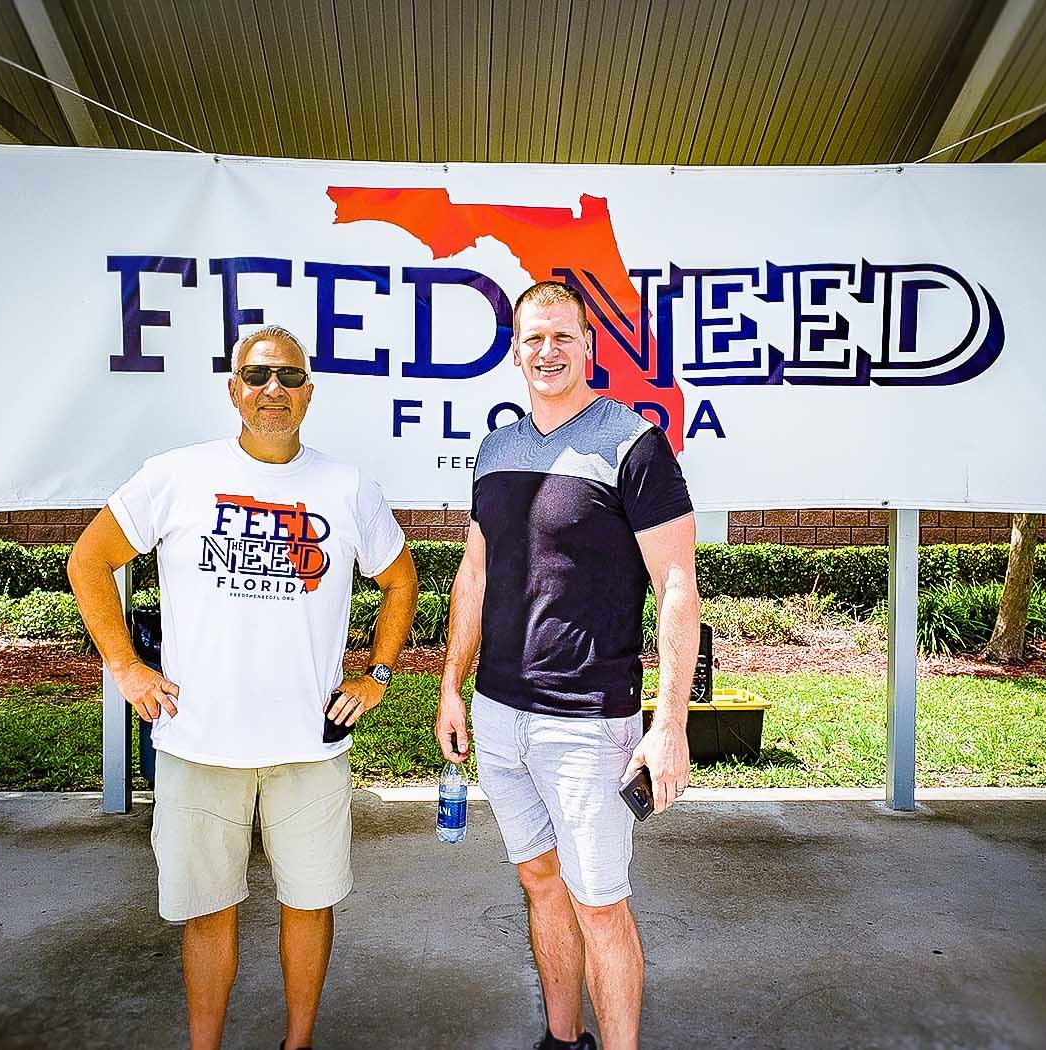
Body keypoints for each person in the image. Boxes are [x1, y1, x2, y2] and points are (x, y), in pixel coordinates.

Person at [68, 325, 418, 1050]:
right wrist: (126, 666)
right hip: (199, 743)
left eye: (290, 379)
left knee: (310, 904)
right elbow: (89, 560)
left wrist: (377, 673)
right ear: (234, 389)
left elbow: (400, 577)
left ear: (310, 396)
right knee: (208, 912)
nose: (274, 392)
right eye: (258, 378)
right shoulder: (177, 474)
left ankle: (298, 1043)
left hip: (308, 747)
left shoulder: (346, 486)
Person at [436, 281, 701, 1050]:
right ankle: (562, 1039)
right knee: (539, 884)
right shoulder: (496, 451)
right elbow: (476, 574)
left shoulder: (634, 443)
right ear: (514, 351)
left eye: (562, 337)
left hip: (588, 721)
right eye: (533, 339)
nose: (546, 351)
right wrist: (452, 685)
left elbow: (678, 586)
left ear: (590, 347)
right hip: (497, 713)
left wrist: (670, 723)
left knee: (599, 904)